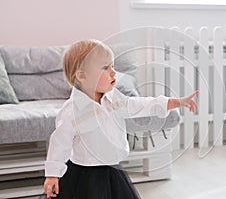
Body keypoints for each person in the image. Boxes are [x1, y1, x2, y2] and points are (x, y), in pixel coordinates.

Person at [43, 39, 199, 199]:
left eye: (113, 66)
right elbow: (59, 144)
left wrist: (172, 102)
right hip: (85, 176)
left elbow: (138, 105)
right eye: (105, 68)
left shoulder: (113, 98)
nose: (113, 72)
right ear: (82, 76)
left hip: (113, 172)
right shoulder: (72, 112)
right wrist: (52, 175)